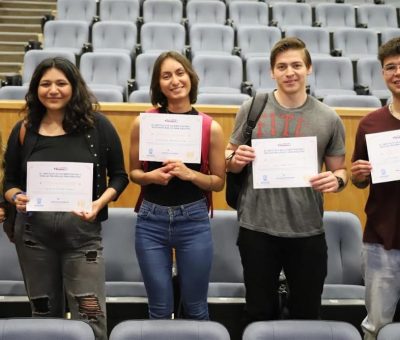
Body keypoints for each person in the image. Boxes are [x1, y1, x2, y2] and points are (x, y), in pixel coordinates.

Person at [3, 57, 128, 340]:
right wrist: (17, 197)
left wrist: (99, 203)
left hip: (83, 239)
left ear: (74, 87)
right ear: (36, 89)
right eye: (45, 84)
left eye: (61, 83)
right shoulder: (24, 129)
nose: (53, 90)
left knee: (91, 316)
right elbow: (8, 182)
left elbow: (120, 176)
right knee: (43, 316)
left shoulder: (98, 126)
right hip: (34, 238)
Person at [225, 37, 347, 327]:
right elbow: (228, 157)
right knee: (257, 312)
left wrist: (336, 180)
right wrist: (235, 159)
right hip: (257, 228)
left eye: (296, 65)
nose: (289, 72)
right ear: (272, 72)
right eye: (282, 67)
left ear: (309, 68)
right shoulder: (252, 108)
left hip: (307, 230)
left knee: (307, 314)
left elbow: (342, 172)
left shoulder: (328, 118)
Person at [129, 51, 226, 320]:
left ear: (190, 78)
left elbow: (218, 183)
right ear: (158, 84)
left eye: (180, 73)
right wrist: (151, 177)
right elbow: (134, 173)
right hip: (151, 221)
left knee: (196, 308)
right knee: (159, 310)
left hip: (193, 220)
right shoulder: (143, 122)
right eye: (166, 75)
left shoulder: (210, 127)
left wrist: (189, 174)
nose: (175, 81)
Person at [351, 37, 400, 340]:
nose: (397, 73)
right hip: (382, 241)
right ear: (383, 74)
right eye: (390, 67)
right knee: (376, 327)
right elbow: (359, 179)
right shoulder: (370, 123)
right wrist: (358, 174)